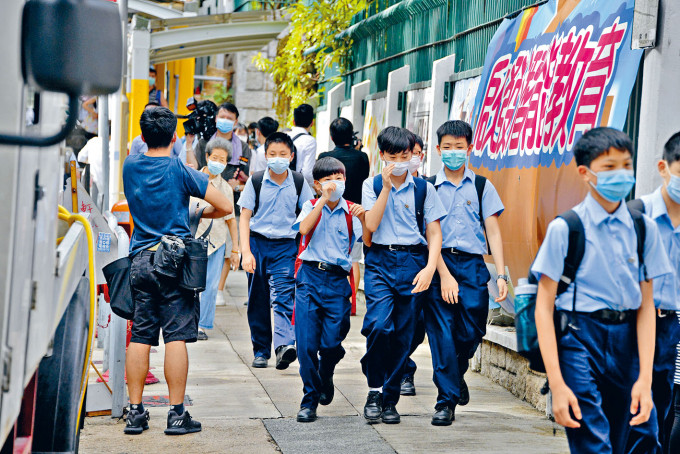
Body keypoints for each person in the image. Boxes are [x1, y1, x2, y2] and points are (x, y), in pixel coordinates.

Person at [532, 127, 672, 453]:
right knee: (595, 443)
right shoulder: (565, 229)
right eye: (609, 167)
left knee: (635, 440)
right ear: (586, 173)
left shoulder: (644, 229)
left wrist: (645, 379)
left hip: (627, 341)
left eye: (626, 165)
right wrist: (557, 383)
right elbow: (543, 306)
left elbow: (647, 306)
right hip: (579, 337)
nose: (621, 174)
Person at [122, 107, 232, 435]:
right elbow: (225, 206)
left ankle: (136, 413)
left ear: (142, 136)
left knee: (141, 335)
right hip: (174, 262)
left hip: (140, 259)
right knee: (175, 337)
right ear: (174, 138)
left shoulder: (130, 166)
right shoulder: (181, 171)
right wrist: (193, 214)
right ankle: (176, 414)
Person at [423, 120, 508, 425]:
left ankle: (456, 375)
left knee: (471, 331)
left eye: (459, 147)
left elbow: (494, 234)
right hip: (438, 263)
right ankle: (445, 401)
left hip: (473, 267)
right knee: (442, 333)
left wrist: (501, 274)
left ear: (470, 149)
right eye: (447, 148)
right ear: (438, 150)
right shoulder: (428, 187)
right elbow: (430, 236)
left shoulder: (483, 186)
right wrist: (442, 274)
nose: (454, 153)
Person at [360, 126, 444, 424]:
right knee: (380, 326)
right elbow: (370, 224)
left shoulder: (424, 189)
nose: (399, 161)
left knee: (405, 335)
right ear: (382, 155)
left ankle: (390, 398)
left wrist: (429, 267)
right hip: (380, 260)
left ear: (413, 155)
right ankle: (373, 390)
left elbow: (434, 233)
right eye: (392, 156)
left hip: (413, 261)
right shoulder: (371, 185)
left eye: (405, 155)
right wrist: (385, 187)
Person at [293, 157, 366, 423]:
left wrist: (364, 217)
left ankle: (327, 370)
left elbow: (361, 247)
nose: (335, 184)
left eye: (340, 178)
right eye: (328, 180)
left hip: (338, 281)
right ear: (317, 185)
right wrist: (322, 200)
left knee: (333, 340)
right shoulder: (310, 205)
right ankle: (309, 399)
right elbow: (303, 229)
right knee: (306, 344)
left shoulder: (352, 212)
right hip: (310, 277)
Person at [238, 132, 314, 370]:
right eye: (272, 154)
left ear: (291, 157)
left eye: (283, 154)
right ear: (265, 155)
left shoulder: (300, 182)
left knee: (283, 296)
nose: (278, 159)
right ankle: (261, 350)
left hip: (285, 247)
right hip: (257, 244)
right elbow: (244, 217)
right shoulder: (256, 180)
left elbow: (309, 215)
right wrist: (245, 252)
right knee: (257, 299)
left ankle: (283, 346)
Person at [626, 132, 680, 453]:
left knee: (660, 409)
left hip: (670, 328)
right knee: (629, 411)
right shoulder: (636, 214)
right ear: (664, 167)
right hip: (630, 324)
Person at [192, 138, 240, 341]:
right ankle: (187, 322)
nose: (218, 162)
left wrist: (235, 249)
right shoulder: (193, 178)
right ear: (206, 157)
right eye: (215, 158)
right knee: (190, 284)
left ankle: (202, 325)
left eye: (223, 160)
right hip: (192, 240)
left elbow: (231, 222)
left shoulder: (226, 188)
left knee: (210, 286)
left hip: (217, 241)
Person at [318, 117, 370, 301]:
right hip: (354, 212)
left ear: (332, 137)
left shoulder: (325, 158)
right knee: (353, 258)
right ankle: (351, 300)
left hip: (330, 212)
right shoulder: (362, 157)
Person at [401, 131, 427, 396]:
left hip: (424, 264)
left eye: (415, 153)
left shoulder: (428, 188)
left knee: (416, 325)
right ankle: (404, 371)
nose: (411, 159)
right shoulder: (378, 186)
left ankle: (402, 364)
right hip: (394, 264)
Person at [187, 102, 251, 189]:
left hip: (230, 196)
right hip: (204, 192)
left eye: (229, 118)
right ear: (216, 118)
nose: (225, 120)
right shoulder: (204, 143)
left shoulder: (243, 147)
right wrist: (188, 144)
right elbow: (193, 167)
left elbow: (244, 177)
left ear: (235, 122)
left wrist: (238, 184)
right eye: (222, 117)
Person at [129, 102, 198, 168]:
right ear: (174, 138)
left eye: (155, 114)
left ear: (143, 137)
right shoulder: (178, 170)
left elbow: (181, 155)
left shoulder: (129, 166)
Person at [287, 104, 317, 184]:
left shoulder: (285, 137)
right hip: (300, 187)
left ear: (293, 121)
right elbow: (307, 173)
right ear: (312, 123)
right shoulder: (310, 141)